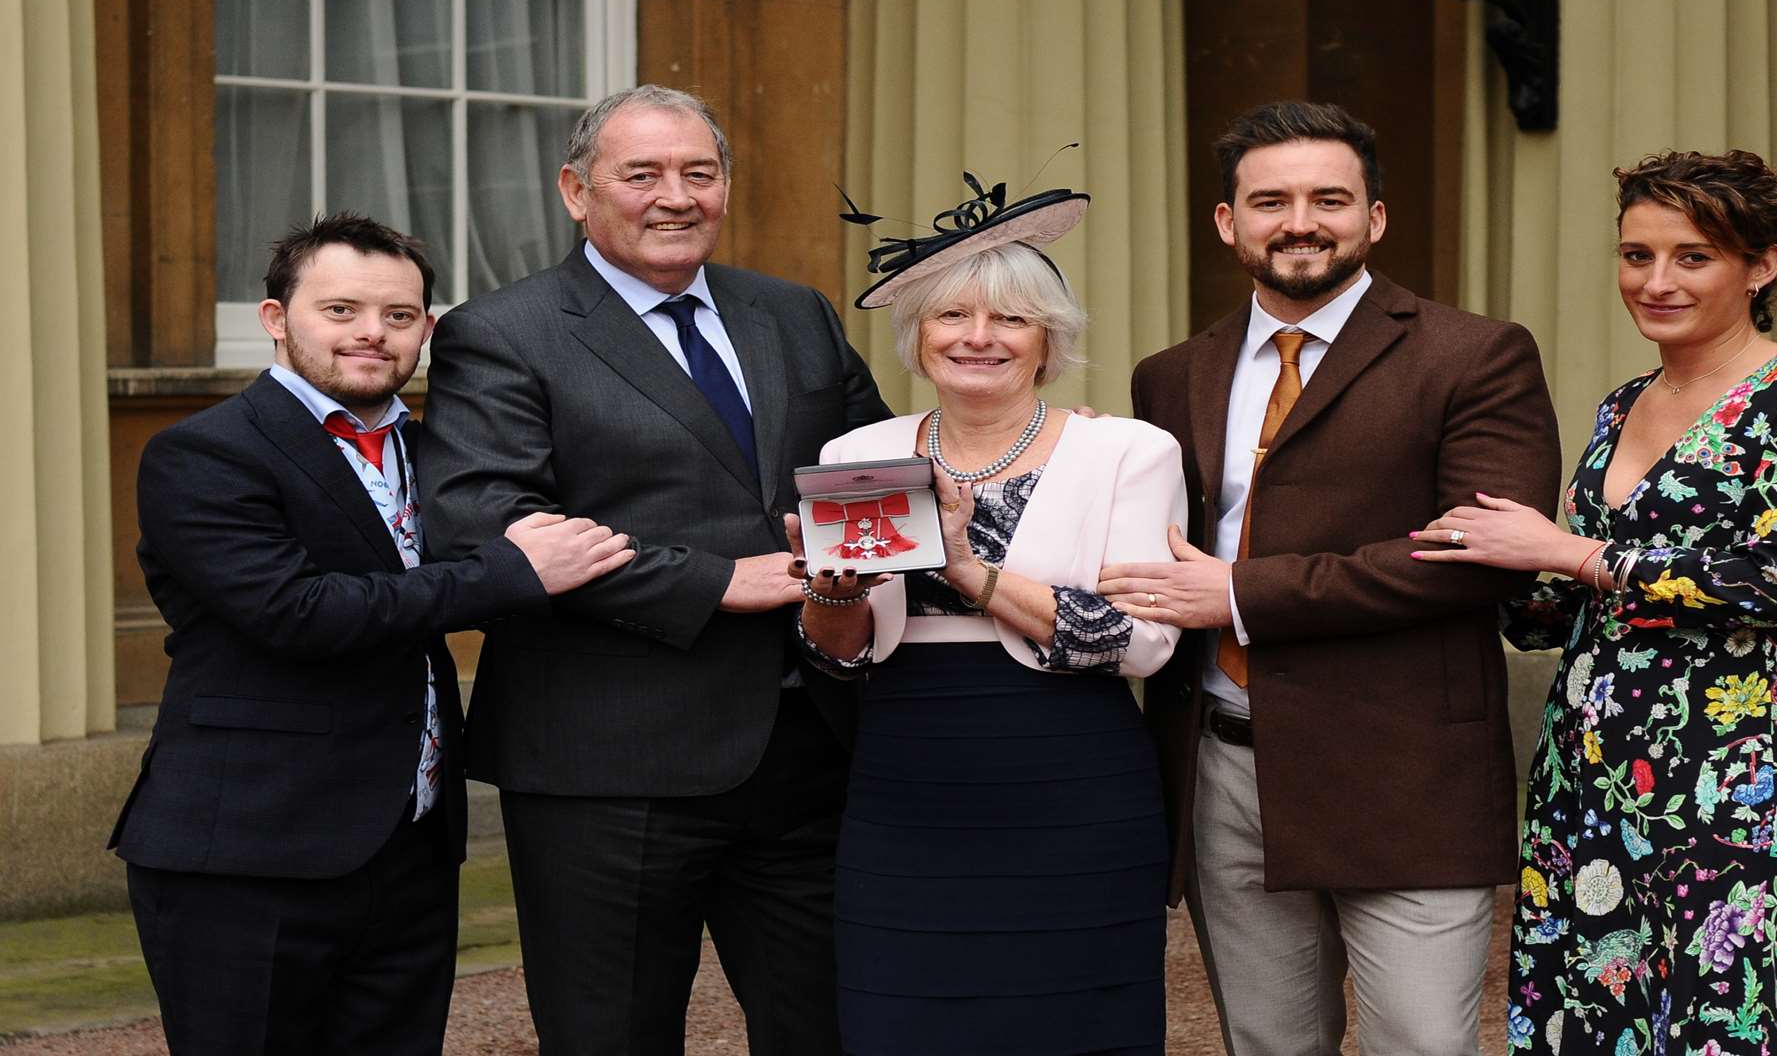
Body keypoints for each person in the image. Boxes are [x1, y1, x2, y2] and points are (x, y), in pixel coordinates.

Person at [415, 84, 890, 1054]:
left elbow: (864, 472)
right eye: (643, 174)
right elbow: (485, 521)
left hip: (805, 754)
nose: (676, 196)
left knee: (835, 1032)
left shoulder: (794, 313)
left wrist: (1015, 445)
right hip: (607, 769)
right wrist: (714, 579)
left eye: (699, 173)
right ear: (577, 192)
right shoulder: (502, 332)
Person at [1097, 101, 1562, 1055]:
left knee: (1423, 1046)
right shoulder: (1169, 376)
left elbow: (1476, 552)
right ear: (1228, 222)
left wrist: (1236, 594)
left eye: (1329, 199)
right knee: (1270, 1044)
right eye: (1270, 200)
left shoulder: (1476, 354)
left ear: (1375, 218)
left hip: (1405, 767)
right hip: (1225, 765)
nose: (1299, 220)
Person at [110, 213, 632, 1054]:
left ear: (427, 330)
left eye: (398, 317)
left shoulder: (438, 454)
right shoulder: (202, 455)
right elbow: (296, 612)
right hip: (248, 855)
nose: (371, 334)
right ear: (276, 318)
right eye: (341, 310)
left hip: (411, 848)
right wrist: (508, 572)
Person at [1413, 150, 1777, 1055]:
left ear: (1764, 264)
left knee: (1721, 1027)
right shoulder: (1623, 405)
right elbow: (1563, 614)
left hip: (1726, 785)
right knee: (1583, 1023)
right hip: (1585, 779)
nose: (1655, 282)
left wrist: (1569, 551)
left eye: (1692, 257)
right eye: (1636, 255)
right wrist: (1484, 557)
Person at [795, 177, 1186, 1055]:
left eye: (1010, 318)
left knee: (1074, 1022)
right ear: (916, 336)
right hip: (906, 776)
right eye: (952, 318)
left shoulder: (1125, 450)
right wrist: (834, 589)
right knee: (901, 1019)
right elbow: (835, 655)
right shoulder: (860, 453)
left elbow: (1138, 641)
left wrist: (967, 566)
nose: (978, 338)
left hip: (1071, 777)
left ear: (1049, 340)